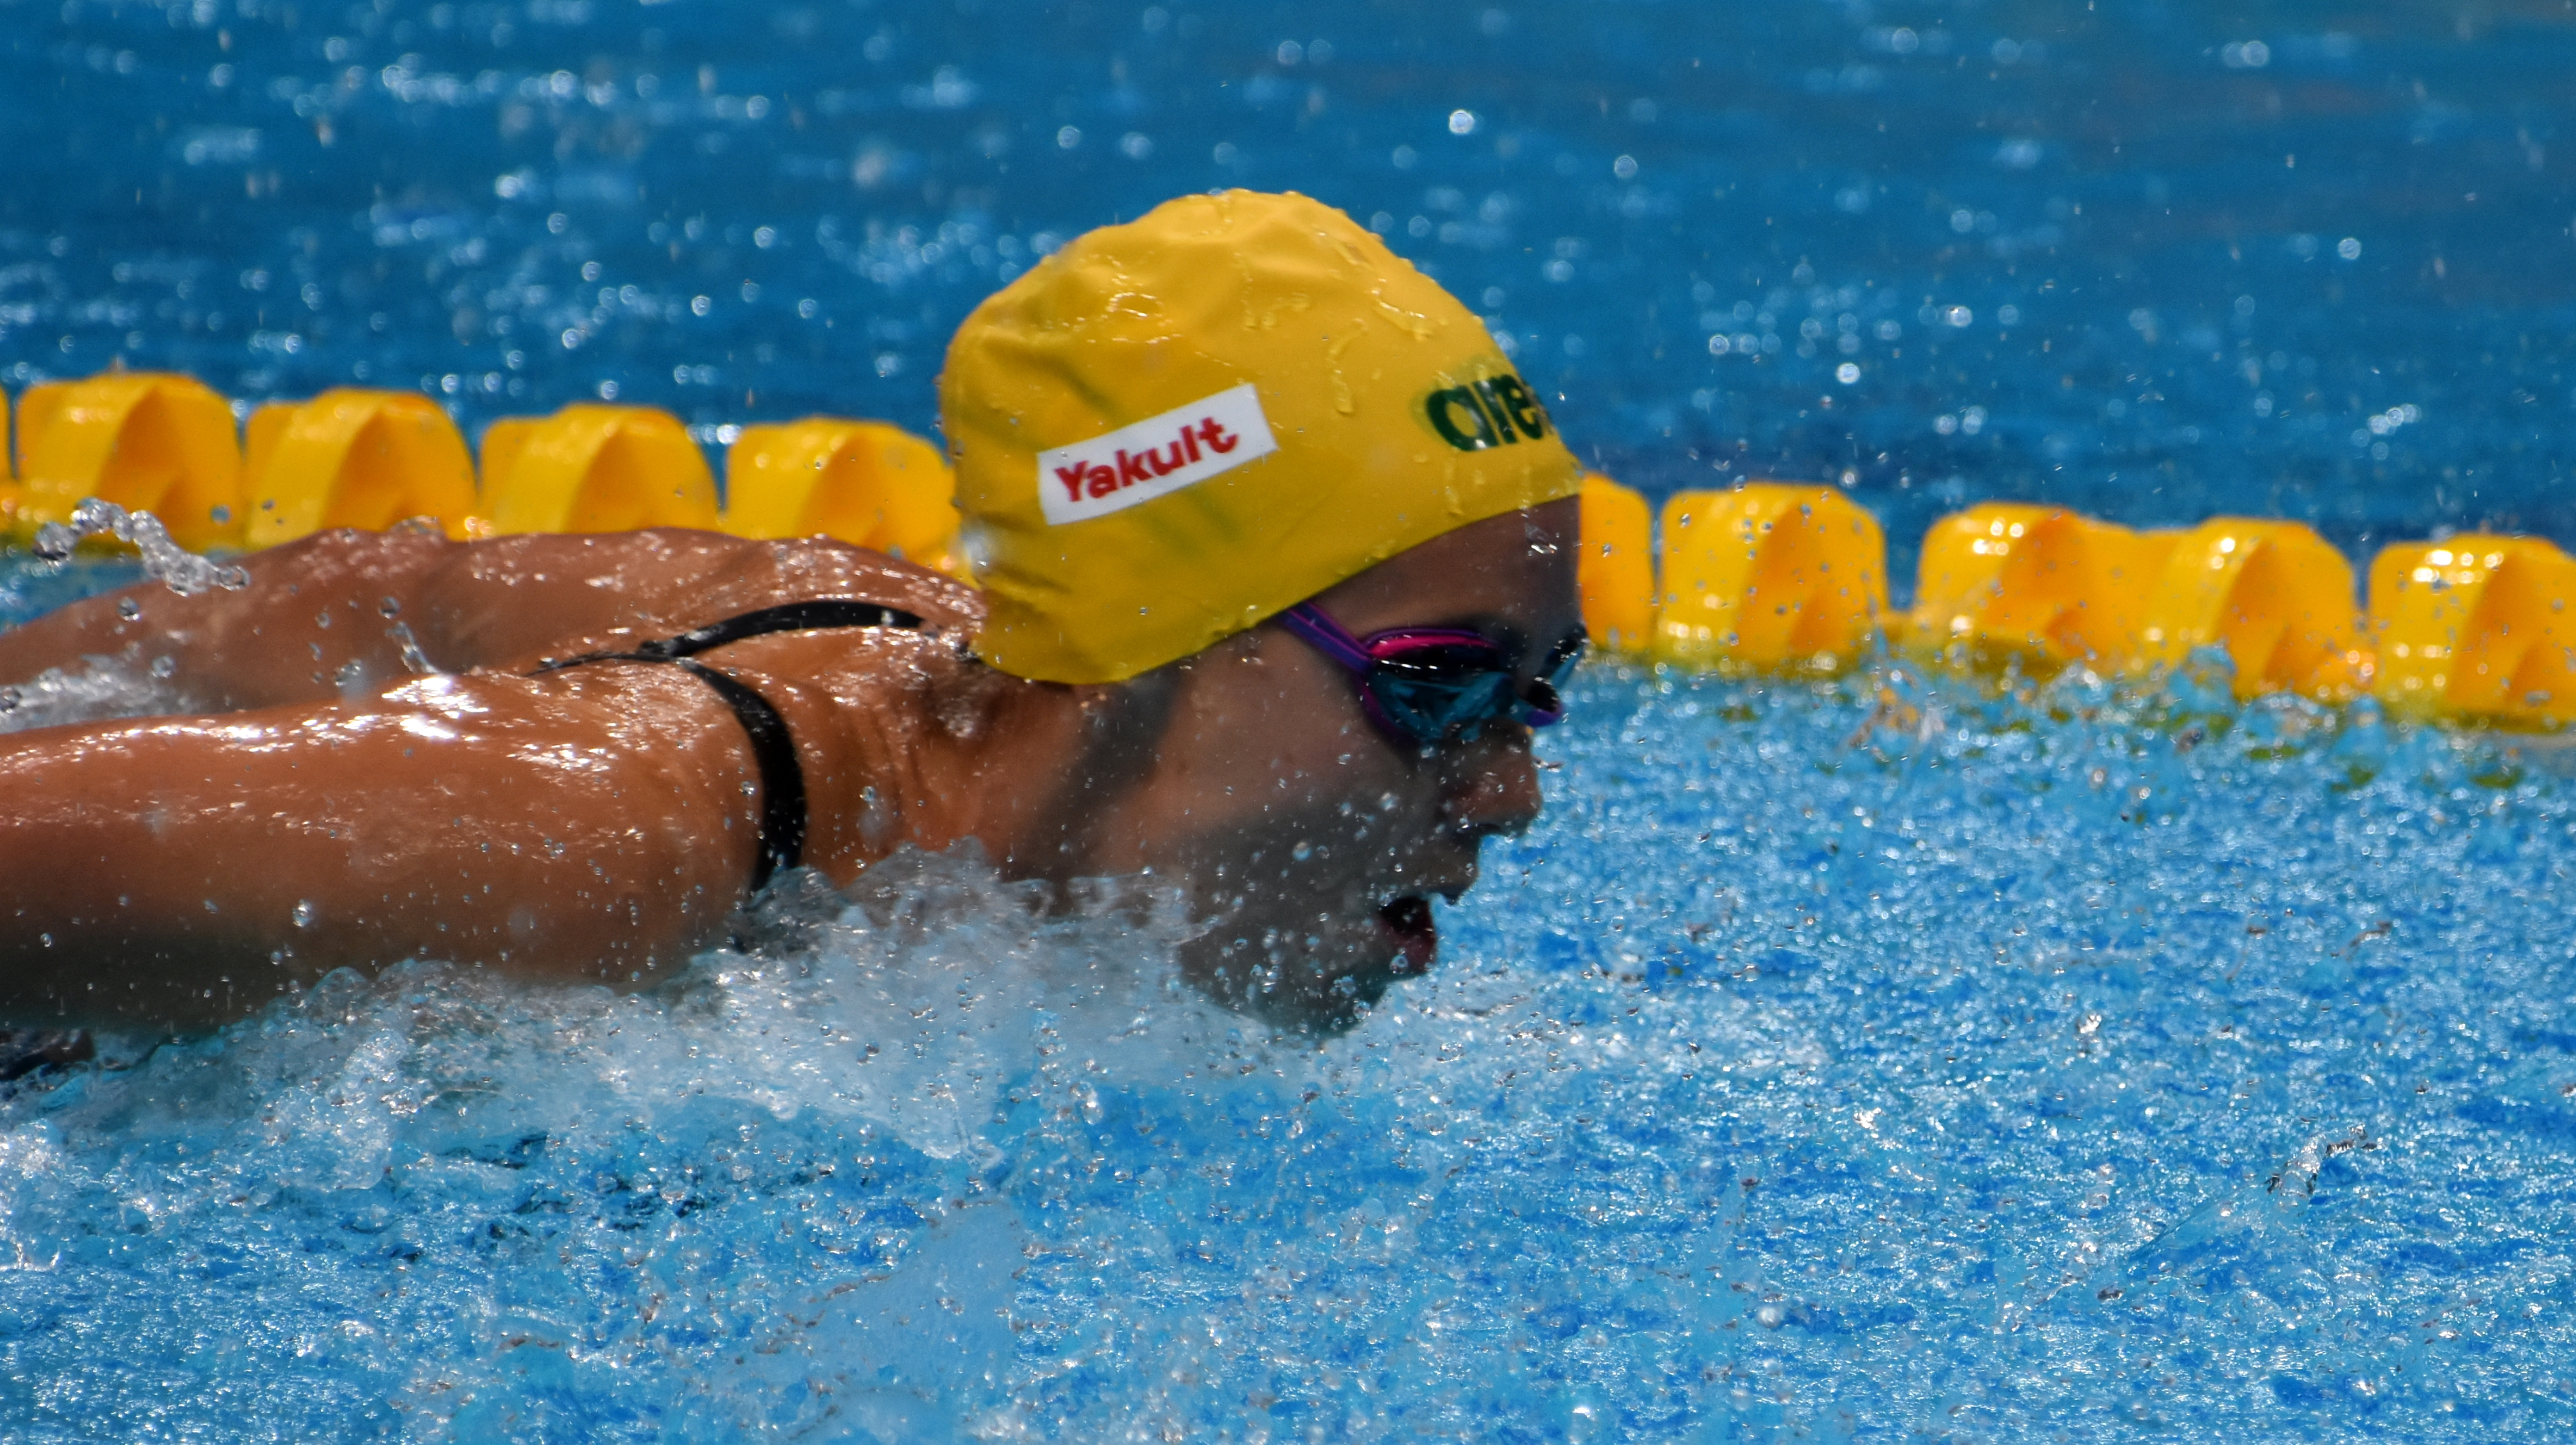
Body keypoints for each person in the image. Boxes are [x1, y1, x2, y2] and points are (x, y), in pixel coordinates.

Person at [0, 191, 1585, 1039]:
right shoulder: (591, 838)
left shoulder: (887, 632)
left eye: (1532, 696)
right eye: (1438, 687)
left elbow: (372, 592)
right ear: (1148, 658)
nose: (1510, 795)